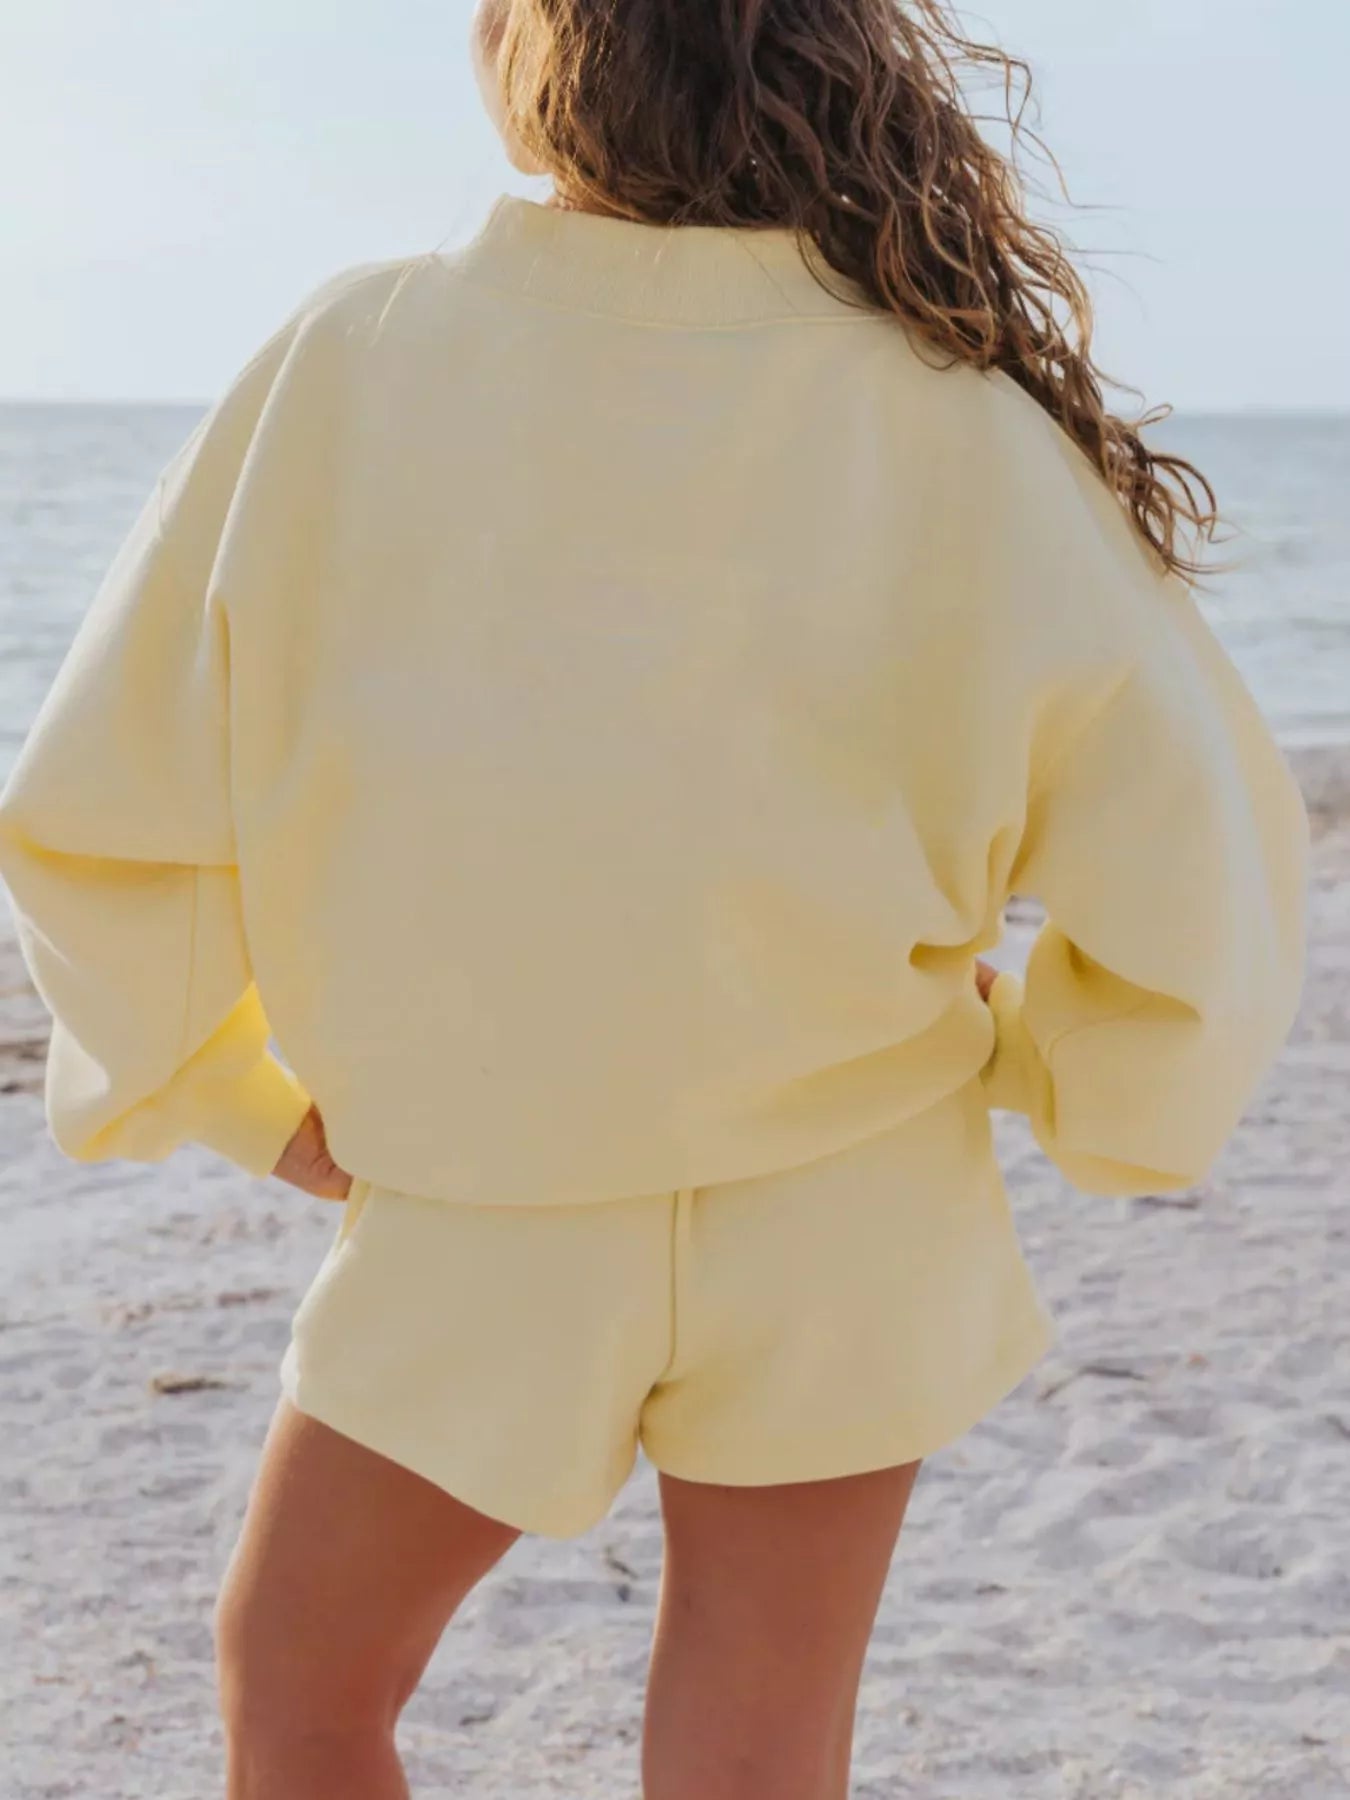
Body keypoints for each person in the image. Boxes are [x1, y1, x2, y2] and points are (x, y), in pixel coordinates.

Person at [0, 2, 1309, 1795]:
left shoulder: (357, 354)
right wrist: (1059, 1066)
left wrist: (225, 1084)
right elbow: (1195, 848)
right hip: (858, 1194)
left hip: (491, 1200)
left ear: (541, 61)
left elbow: (101, 794)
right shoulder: (955, 407)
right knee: (758, 1746)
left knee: (299, 1690)